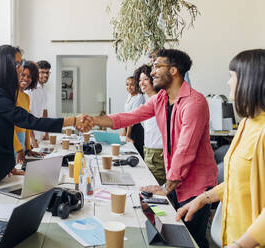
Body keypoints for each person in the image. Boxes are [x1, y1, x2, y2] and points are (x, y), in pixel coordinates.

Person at [81, 49, 217, 248]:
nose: (152, 72)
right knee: (174, 236)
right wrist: (93, 120)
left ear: (173, 71)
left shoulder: (194, 103)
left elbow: (184, 150)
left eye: (157, 66)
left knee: (191, 241)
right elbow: (128, 117)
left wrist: (165, 188)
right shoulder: (161, 99)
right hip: (176, 182)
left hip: (196, 186)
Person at [0, 45, 90, 205]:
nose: (21, 68)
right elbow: (29, 121)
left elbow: (4, 134)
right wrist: (73, 121)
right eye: (17, 64)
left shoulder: (4, 93)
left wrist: (6, 167)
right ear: (4, 66)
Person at [176, 49, 265, 248]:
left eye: (232, 76)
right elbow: (238, 182)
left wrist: (241, 245)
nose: (228, 82)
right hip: (231, 239)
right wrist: (202, 199)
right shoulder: (246, 124)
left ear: (251, 80)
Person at [137, 64, 165, 185]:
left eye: (145, 79)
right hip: (148, 151)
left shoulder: (161, 101)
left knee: (156, 193)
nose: (141, 83)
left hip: (158, 154)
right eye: (140, 80)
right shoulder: (148, 102)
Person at [13, 60, 44, 164]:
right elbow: (8, 126)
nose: (26, 78)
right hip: (12, 141)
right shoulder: (11, 94)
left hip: (21, 142)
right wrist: (19, 149)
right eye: (23, 75)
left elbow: (26, 125)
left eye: (29, 76)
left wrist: (27, 149)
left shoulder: (26, 97)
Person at [26, 60, 51, 148]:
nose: (46, 75)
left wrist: (46, 132)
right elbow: (27, 116)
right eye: (42, 72)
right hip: (29, 139)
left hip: (39, 135)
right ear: (35, 73)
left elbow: (44, 112)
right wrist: (32, 139)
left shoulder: (43, 88)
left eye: (47, 72)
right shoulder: (30, 90)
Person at [121, 75, 145, 157]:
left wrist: (127, 136)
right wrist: (123, 133)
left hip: (136, 130)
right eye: (127, 85)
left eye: (132, 84)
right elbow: (126, 116)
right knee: (127, 154)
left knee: (137, 155)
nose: (129, 87)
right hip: (128, 128)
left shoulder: (139, 97)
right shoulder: (129, 96)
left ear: (136, 85)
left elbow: (132, 118)